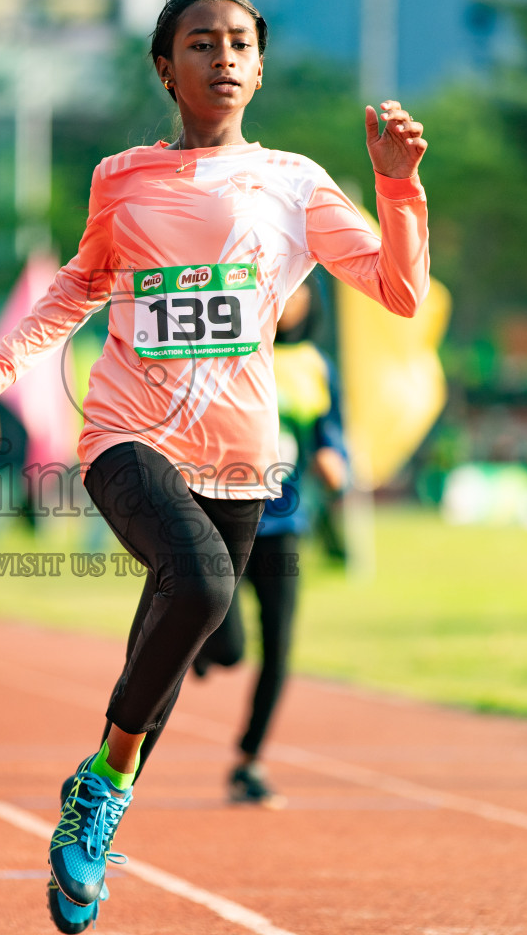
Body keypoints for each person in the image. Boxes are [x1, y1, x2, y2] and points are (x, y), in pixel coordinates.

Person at [0, 0, 430, 933]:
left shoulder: (295, 182)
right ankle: (102, 789)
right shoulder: (121, 178)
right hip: (125, 434)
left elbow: (400, 291)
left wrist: (398, 184)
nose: (224, 58)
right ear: (167, 68)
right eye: (201, 43)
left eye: (240, 43)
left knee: (163, 651)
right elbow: (78, 287)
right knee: (201, 589)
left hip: (240, 460)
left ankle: (93, 819)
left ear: (260, 64)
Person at [191, 278, 347, 808]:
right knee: (230, 646)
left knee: (279, 645)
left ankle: (250, 760)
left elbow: (331, 433)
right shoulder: (230, 352)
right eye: (283, 286)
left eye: (301, 289)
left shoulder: (318, 366)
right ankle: (198, 643)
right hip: (225, 515)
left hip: (285, 522)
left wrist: (335, 458)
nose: (291, 298)